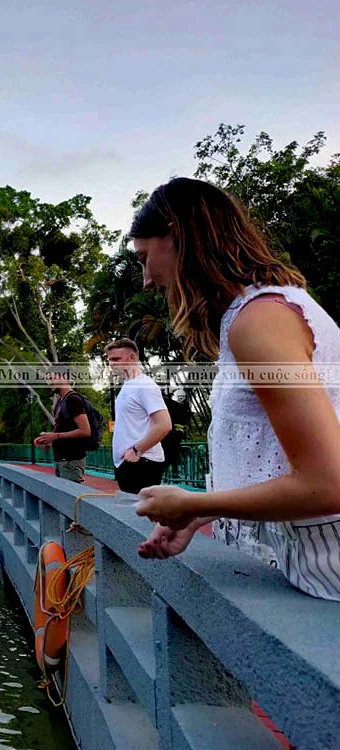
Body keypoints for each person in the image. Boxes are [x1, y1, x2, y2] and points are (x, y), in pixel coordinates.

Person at [130, 177, 340, 601]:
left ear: (175, 235)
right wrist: (195, 513)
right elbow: (275, 461)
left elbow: (328, 483)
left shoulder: (260, 322)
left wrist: (194, 505)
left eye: (144, 257)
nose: (147, 280)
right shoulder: (266, 310)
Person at [106, 338, 171, 493]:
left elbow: (164, 425)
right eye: (109, 360)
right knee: (129, 513)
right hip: (130, 463)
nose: (111, 364)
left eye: (116, 359)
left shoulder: (144, 385)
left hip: (142, 462)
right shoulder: (128, 386)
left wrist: (136, 451)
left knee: (138, 515)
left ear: (133, 358)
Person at [34, 368, 92, 484]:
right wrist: (48, 440)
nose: (49, 382)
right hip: (62, 460)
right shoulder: (61, 401)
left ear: (64, 377)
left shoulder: (73, 399)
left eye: (51, 378)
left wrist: (56, 436)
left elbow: (85, 431)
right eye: (47, 379)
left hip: (71, 461)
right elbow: (65, 431)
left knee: (69, 500)